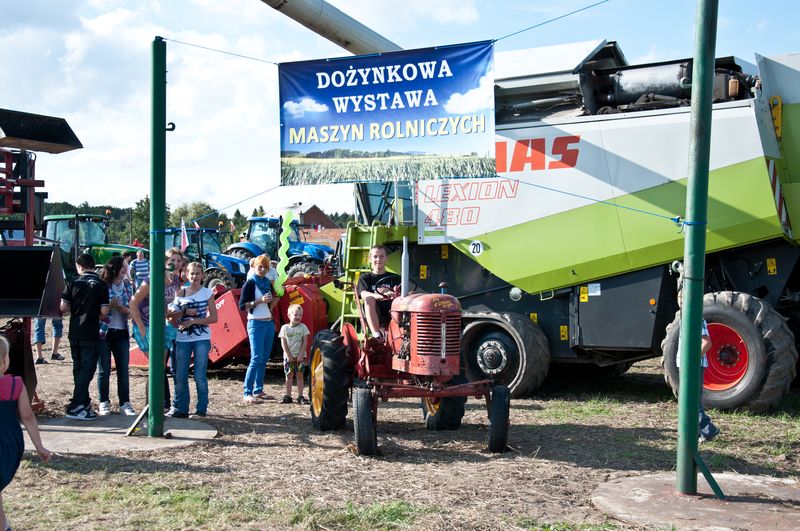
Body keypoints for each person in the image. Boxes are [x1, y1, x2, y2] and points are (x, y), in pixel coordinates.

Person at [0, 337, 50, 531]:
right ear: (5, 361)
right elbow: (27, 416)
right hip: (10, 443)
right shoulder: (15, 384)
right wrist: (39, 446)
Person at [129, 248, 185, 412]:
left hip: (160, 324)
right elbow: (133, 303)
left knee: (160, 367)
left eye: (179, 260)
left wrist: (170, 313)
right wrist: (140, 327)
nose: (175, 263)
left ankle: (156, 405)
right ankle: (150, 407)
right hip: (145, 324)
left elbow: (164, 302)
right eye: (172, 260)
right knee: (155, 366)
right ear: (165, 263)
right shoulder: (153, 279)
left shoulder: (175, 280)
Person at [60, 253, 109, 421]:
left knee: (78, 367)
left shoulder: (72, 282)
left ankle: (83, 401)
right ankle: (76, 405)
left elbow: (63, 307)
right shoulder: (101, 284)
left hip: (74, 331)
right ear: (93, 266)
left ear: (79, 266)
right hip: (91, 331)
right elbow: (104, 311)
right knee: (88, 369)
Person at [170, 262, 217, 418]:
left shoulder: (207, 293)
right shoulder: (180, 293)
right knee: (181, 375)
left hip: (202, 338)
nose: (195, 276)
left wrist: (193, 321)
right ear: (186, 275)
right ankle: (182, 409)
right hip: (182, 337)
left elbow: (214, 318)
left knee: (199, 375)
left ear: (202, 275)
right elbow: (173, 317)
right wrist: (184, 312)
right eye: (192, 273)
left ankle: (201, 409)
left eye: (197, 273)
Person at [96, 256, 136, 416]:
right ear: (115, 268)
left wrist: (126, 310)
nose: (126, 270)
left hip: (121, 332)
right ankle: (103, 402)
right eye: (123, 267)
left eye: (127, 267)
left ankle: (124, 403)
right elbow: (96, 311)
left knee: (123, 370)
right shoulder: (103, 285)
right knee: (104, 369)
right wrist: (109, 307)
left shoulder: (127, 286)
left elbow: (131, 312)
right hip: (104, 332)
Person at [239, 255, 277, 403]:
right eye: (259, 267)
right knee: (255, 358)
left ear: (268, 269)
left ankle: (258, 390)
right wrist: (260, 301)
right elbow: (242, 305)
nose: (262, 269)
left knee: (264, 359)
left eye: (265, 267)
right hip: (255, 324)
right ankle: (247, 392)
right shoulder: (250, 283)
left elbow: (272, 300)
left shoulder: (267, 282)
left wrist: (273, 301)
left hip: (268, 323)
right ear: (254, 267)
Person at [358, 245, 401, 339]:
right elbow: (363, 293)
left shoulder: (396, 278)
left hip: (394, 312)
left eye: (382, 256)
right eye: (375, 256)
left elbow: (405, 294)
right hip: (377, 314)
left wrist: (393, 293)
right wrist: (381, 295)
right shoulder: (365, 278)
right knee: (368, 299)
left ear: (386, 258)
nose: (378, 259)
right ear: (370, 259)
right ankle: (377, 336)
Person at [278, 304, 310, 404]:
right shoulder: (284, 328)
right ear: (289, 315)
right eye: (295, 315)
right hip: (289, 357)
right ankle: (288, 396)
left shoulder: (303, 327)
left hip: (300, 356)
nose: (298, 317)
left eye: (300, 315)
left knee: (300, 375)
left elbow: (305, 342)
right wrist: (288, 355)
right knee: (289, 375)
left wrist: (301, 355)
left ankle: (300, 396)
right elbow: (283, 343)